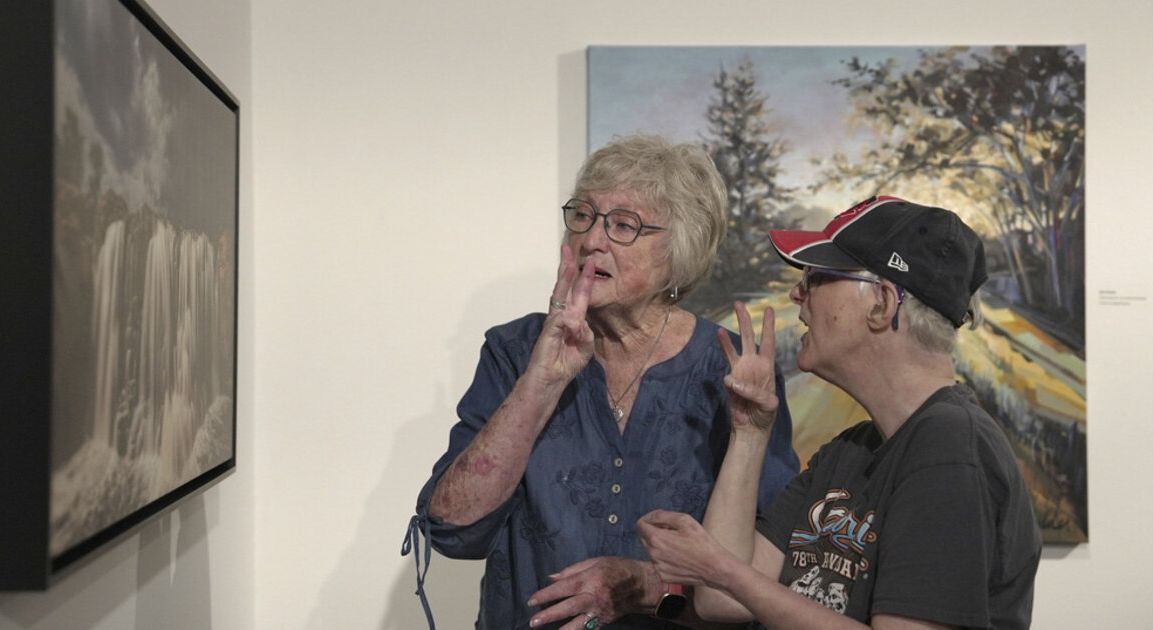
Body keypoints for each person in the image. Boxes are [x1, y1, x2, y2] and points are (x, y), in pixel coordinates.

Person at [404, 134, 800, 630]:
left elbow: (769, 568)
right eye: (583, 216)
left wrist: (652, 586)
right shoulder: (516, 351)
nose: (592, 240)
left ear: (679, 252)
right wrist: (540, 384)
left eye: (623, 225)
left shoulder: (732, 370)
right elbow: (452, 531)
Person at [638, 196, 1042, 629]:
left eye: (815, 278)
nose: (797, 293)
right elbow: (721, 602)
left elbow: (728, 582)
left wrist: (720, 570)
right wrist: (750, 432)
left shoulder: (950, 447)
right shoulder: (848, 452)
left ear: (881, 303)